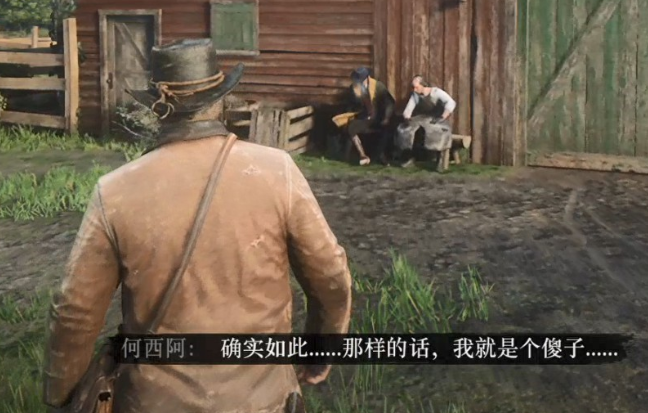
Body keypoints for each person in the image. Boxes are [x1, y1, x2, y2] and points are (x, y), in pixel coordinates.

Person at [42, 38, 352, 413]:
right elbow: (331, 276)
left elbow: (75, 311)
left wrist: (62, 395)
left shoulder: (115, 191)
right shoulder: (277, 171)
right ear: (220, 98)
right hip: (263, 400)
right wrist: (320, 352)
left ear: (156, 108)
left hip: (153, 403)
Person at [332, 67, 396, 165]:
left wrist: (386, 117)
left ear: (366, 78)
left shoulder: (378, 86)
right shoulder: (354, 88)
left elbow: (389, 103)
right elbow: (352, 104)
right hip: (364, 116)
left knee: (384, 131)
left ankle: (378, 156)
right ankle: (362, 155)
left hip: (378, 117)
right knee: (351, 127)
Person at [395, 75, 456, 169]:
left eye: (416, 87)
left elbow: (451, 102)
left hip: (437, 119)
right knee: (406, 131)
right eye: (413, 87)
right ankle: (407, 159)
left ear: (423, 85)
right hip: (422, 119)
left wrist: (443, 116)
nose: (414, 90)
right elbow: (408, 109)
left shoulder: (436, 92)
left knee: (440, 134)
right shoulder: (415, 95)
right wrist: (407, 118)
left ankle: (441, 162)